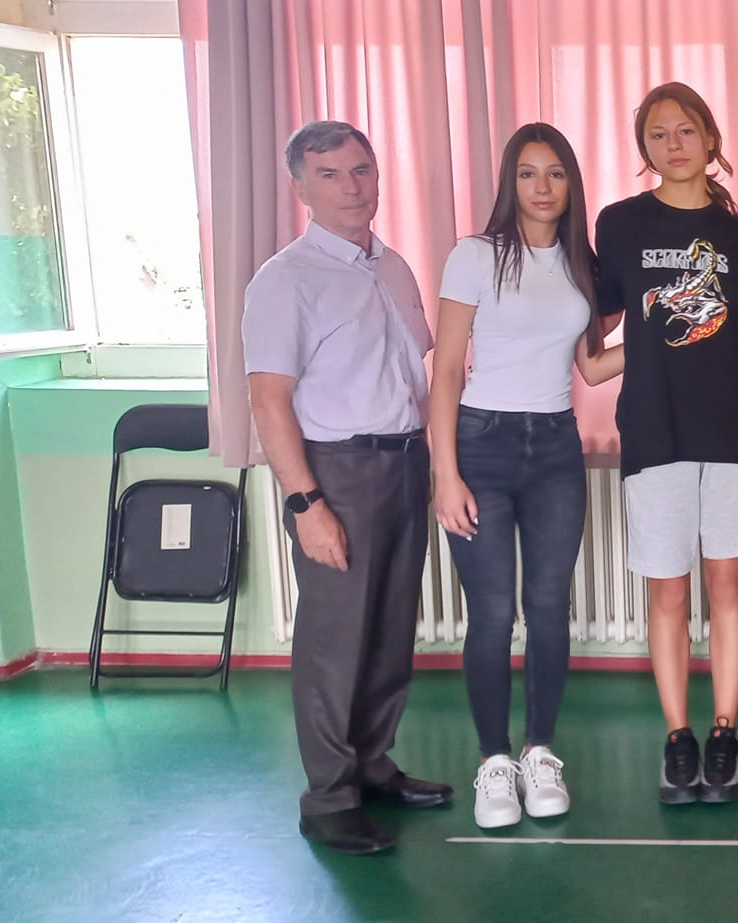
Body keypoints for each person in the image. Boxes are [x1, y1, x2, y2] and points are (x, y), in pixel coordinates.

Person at [244, 120, 449, 855]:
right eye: (329, 175)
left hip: (404, 461)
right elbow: (268, 399)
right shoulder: (285, 280)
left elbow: (418, 370)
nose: (351, 187)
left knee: (391, 629)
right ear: (300, 187)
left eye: (361, 170)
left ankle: (371, 765)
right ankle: (328, 798)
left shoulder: (393, 267)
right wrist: (307, 504)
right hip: (338, 472)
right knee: (335, 641)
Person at [429, 123, 625, 829]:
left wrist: (665, 331)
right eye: (528, 173)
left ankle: (540, 753)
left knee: (547, 605)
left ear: (572, 184)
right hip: (481, 445)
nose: (543, 187)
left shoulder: (580, 265)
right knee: (491, 613)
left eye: (556, 174)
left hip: (556, 449)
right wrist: (445, 473)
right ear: (510, 182)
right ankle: (493, 762)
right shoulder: (475, 255)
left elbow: (592, 367)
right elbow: (446, 371)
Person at [594, 82, 738, 806]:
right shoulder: (619, 223)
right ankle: (678, 735)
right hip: (654, 428)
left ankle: (724, 730)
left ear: (710, 139)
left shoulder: (737, 235)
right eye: (658, 134)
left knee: (728, 588)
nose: (674, 144)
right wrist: (593, 353)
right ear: (644, 148)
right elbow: (593, 320)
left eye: (686, 130)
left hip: (732, 428)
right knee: (667, 590)